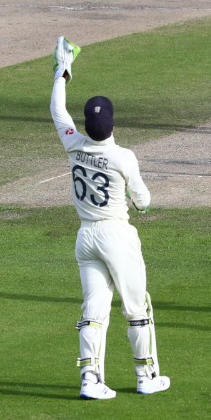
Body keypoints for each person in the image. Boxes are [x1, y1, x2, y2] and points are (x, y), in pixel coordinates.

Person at [50, 37, 170, 400]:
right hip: (117, 234)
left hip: (85, 237)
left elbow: (57, 110)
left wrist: (62, 71)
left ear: (86, 125)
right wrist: (143, 207)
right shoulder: (123, 157)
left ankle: (90, 379)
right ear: (113, 124)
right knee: (136, 306)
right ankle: (145, 375)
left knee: (94, 310)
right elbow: (144, 199)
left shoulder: (73, 144)